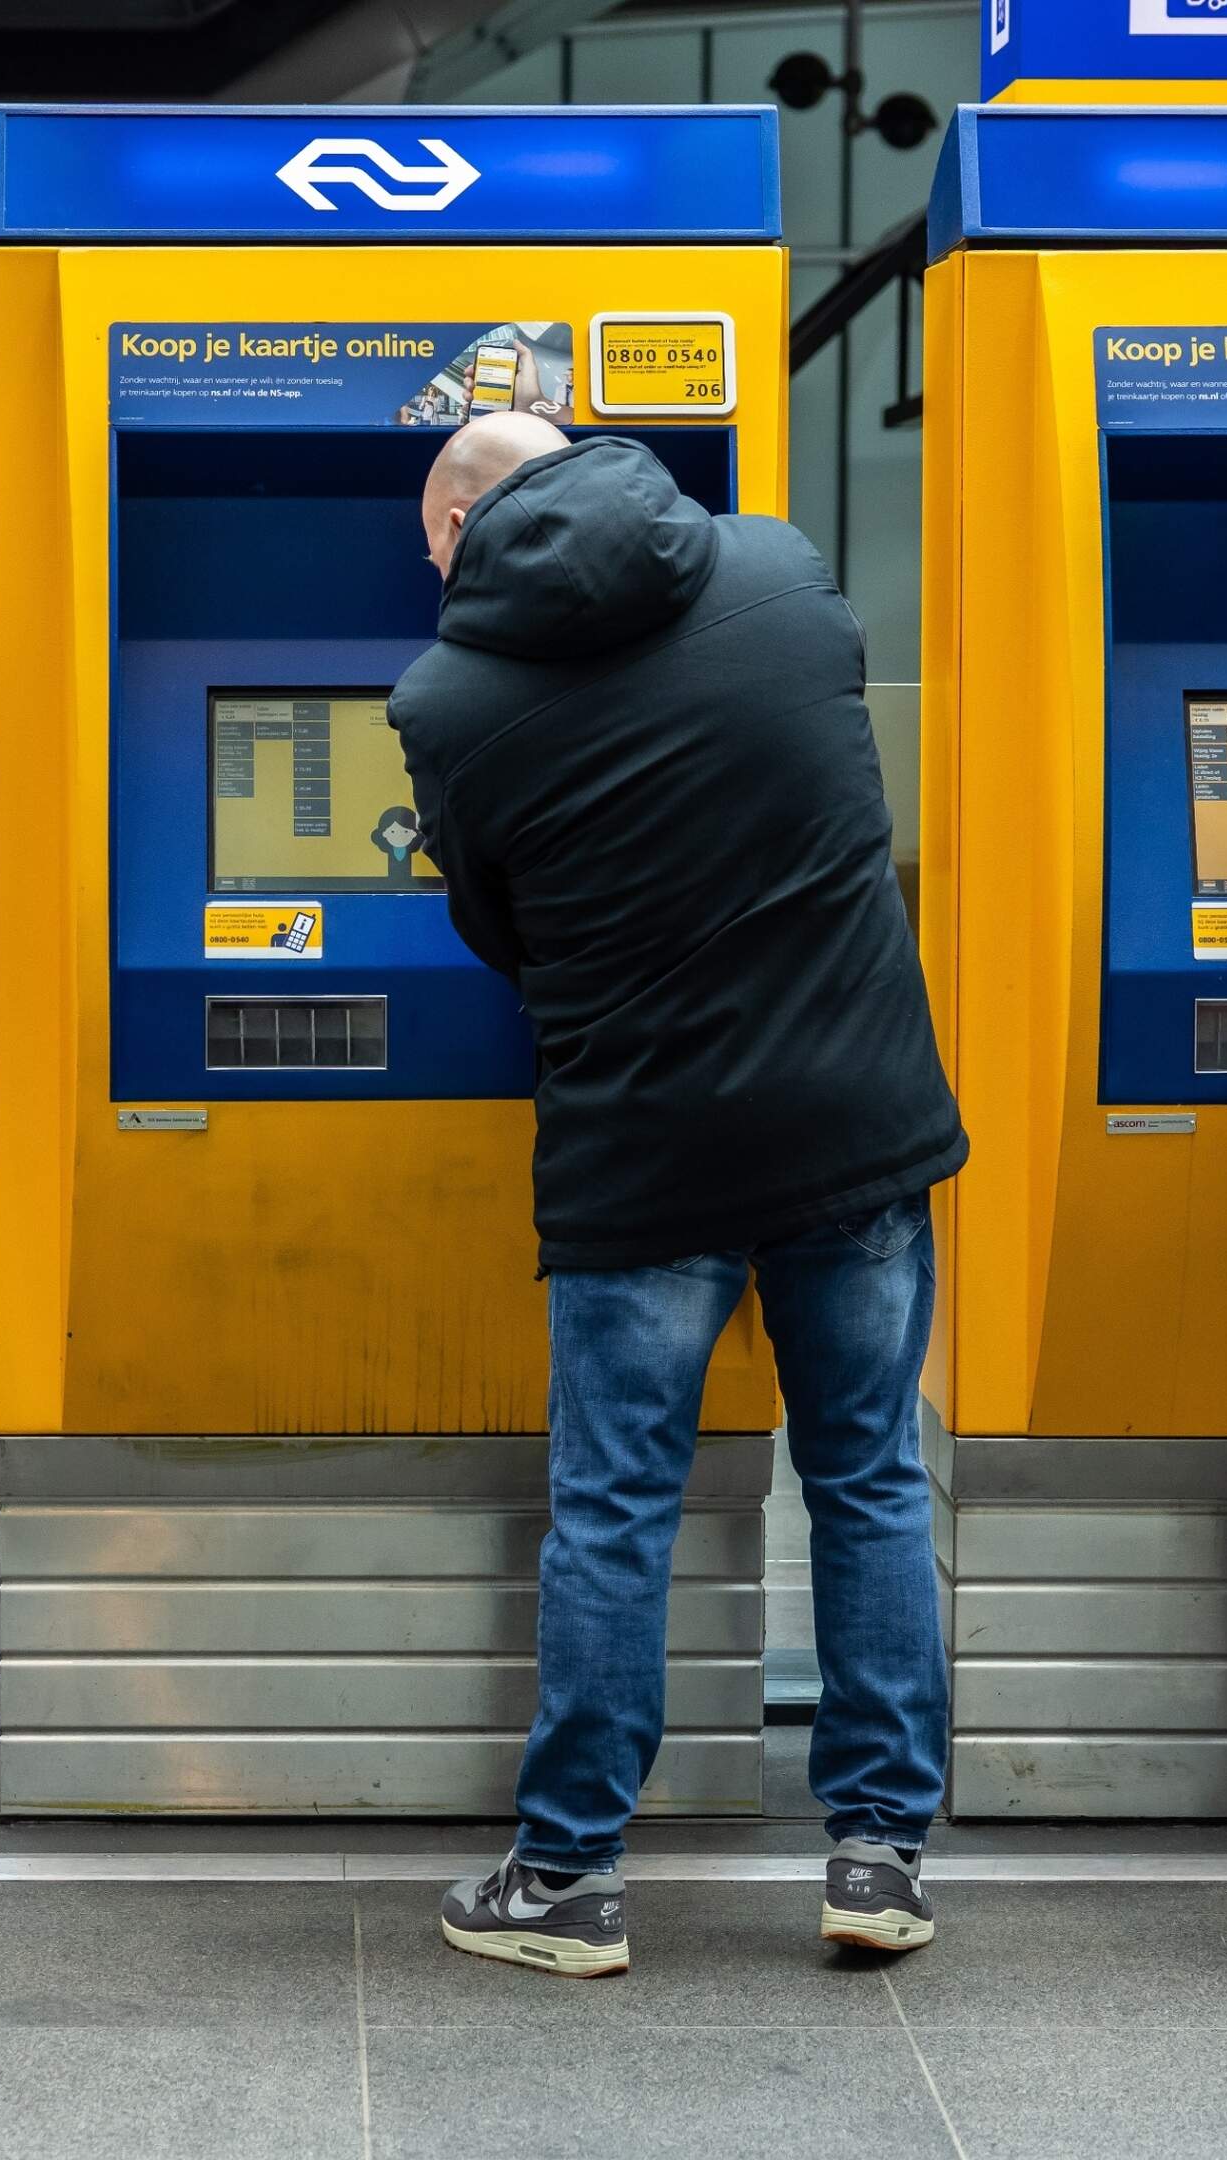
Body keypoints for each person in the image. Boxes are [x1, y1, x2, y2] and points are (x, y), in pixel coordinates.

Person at [396, 414, 967, 1977]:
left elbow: (499, 933)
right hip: (852, 1116)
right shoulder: (782, 570)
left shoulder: (445, 702)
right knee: (866, 1481)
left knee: (613, 1504)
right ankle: (876, 1857)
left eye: (430, 542)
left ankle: (570, 1878)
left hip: (642, 1145)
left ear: (462, 526)